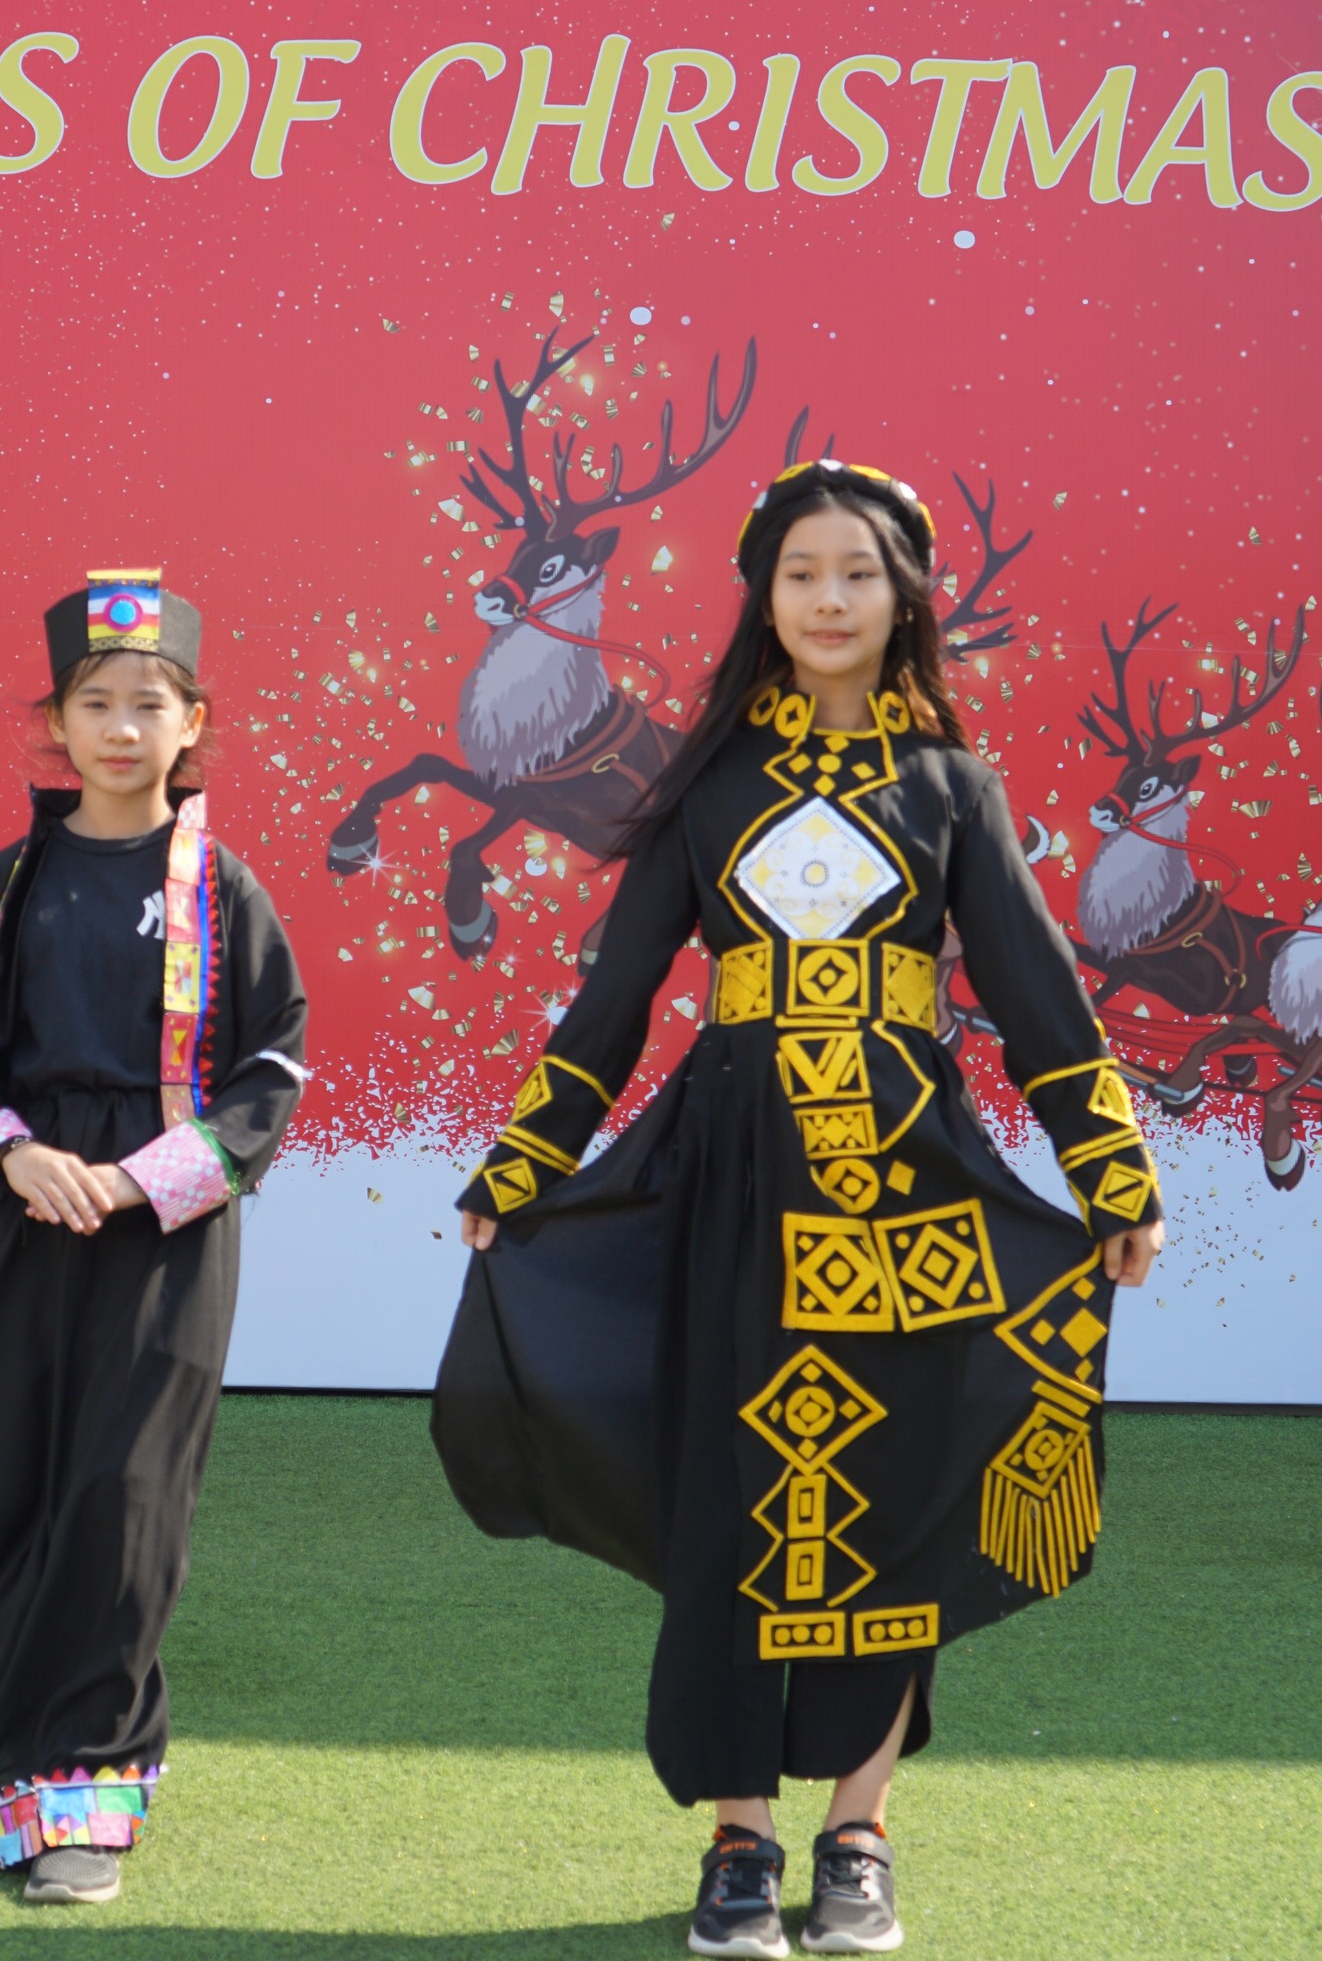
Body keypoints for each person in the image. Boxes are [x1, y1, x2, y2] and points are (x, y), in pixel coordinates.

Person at [443, 464, 1164, 1957]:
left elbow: (1041, 1005)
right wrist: (521, 1166)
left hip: (914, 1201)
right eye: (800, 575)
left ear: (903, 598)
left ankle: (856, 1835)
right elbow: (613, 1002)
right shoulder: (706, 785)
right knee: (727, 1500)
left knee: (894, 1501)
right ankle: (739, 1838)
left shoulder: (954, 788)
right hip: (732, 1192)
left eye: (857, 573)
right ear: (763, 600)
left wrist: (1112, 1175)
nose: (829, 600)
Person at [0, 570, 307, 1905]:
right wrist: (15, 1157)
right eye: (96, 703)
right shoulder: (5, 884)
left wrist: (137, 1183)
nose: (123, 728)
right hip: (18, 1216)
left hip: (159, 1238)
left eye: (150, 704)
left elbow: (270, 1071)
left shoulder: (224, 889)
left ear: (194, 724)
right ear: (56, 725)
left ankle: (84, 1791)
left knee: (120, 1498)